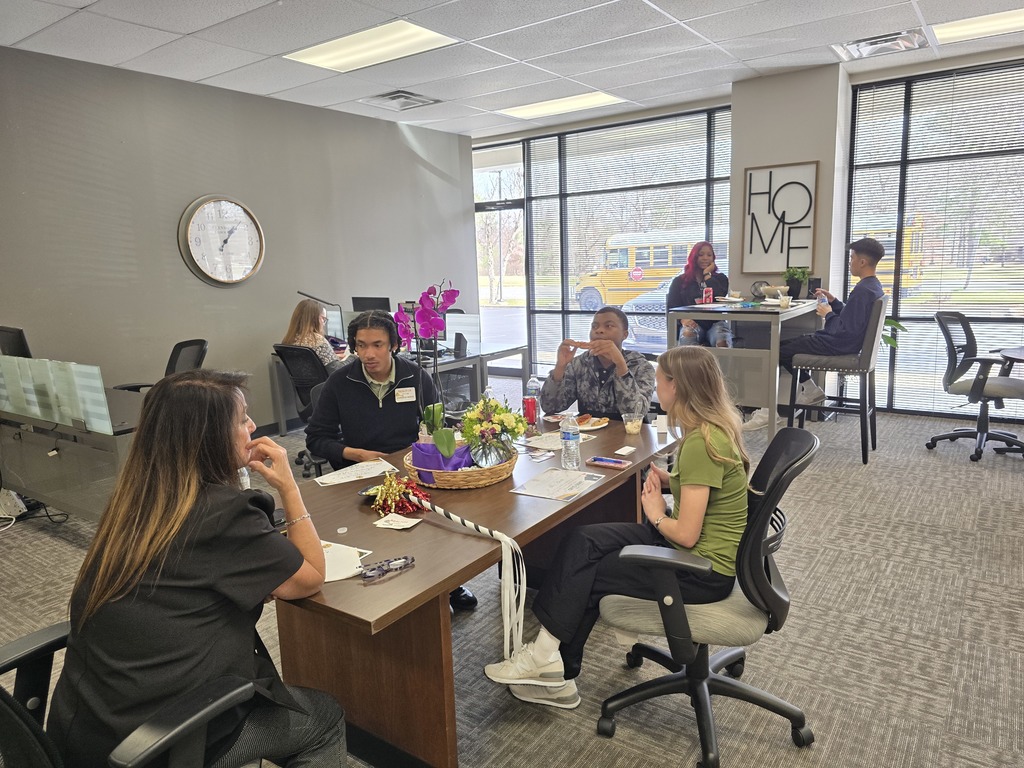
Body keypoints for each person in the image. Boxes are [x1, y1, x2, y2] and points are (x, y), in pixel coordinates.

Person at [47, 370, 346, 767]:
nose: (252, 427)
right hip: (163, 741)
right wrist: (288, 487)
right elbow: (308, 578)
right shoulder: (224, 514)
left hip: (88, 730)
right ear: (210, 437)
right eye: (242, 419)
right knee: (324, 719)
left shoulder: (134, 502)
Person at [485, 346, 749, 708]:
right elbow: (705, 489)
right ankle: (550, 664)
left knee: (588, 571)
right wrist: (671, 480)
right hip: (699, 552)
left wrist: (656, 512)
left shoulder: (702, 443)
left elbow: (687, 535)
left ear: (677, 386)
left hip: (701, 570)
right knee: (583, 541)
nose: (656, 388)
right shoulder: (710, 430)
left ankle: (551, 667)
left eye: (660, 380)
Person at [304, 310, 477, 612]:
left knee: (436, 526)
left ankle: (447, 586)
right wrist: (356, 454)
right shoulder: (340, 382)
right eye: (361, 345)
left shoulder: (416, 376)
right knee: (378, 536)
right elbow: (316, 438)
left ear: (394, 345)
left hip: (411, 467)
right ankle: (399, 594)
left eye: (377, 345)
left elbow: (436, 426)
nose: (368, 354)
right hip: (362, 474)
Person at [744, 237, 886, 431]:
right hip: (843, 343)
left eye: (852, 258)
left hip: (838, 345)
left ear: (862, 262)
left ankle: (768, 412)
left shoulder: (862, 290)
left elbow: (845, 330)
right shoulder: (872, 287)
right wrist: (834, 302)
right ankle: (809, 389)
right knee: (781, 348)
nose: (850, 262)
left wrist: (828, 314)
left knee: (775, 351)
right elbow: (854, 319)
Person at [539, 306, 655, 419]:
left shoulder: (641, 366)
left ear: (624, 335)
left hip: (627, 431)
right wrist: (560, 367)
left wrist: (621, 365)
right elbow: (550, 407)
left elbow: (637, 414)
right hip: (586, 429)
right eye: (594, 326)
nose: (599, 330)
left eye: (609, 326)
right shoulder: (579, 363)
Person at [666, 241, 733, 347]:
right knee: (687, 334)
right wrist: (683, 319)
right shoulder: (680, 281)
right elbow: (672, 305)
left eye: (709, 255)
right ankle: (687, 359)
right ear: (694, 257)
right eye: (701, 255)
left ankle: (721, 359)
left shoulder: (721, 278)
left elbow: (719, 296)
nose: (705, 258)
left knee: (722, 341)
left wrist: (707, 275)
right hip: (692, 322)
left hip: (715, 323)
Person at [283, 298, 345, 374]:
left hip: (303, 382)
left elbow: (308, 364)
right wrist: (353, 357)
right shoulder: (317, 340)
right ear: (314, 318)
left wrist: (333, 357)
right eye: (323, 319)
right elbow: (336, 370)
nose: (324, 324)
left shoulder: (289, 339)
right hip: (326, 381)